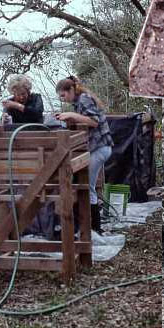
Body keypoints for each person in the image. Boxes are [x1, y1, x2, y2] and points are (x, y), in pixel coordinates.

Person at [55, 76, 113, 232]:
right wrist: (70, 119)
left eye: (63, 95)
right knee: (87, 185)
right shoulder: (78, 102)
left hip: (100, 147)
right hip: (99, 148)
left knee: (88, 187)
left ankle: (94, 229)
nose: (63, 99)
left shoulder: (84, 99)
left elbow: (94, 121)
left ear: (71, 90)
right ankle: (87, 227)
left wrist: (72, 116)